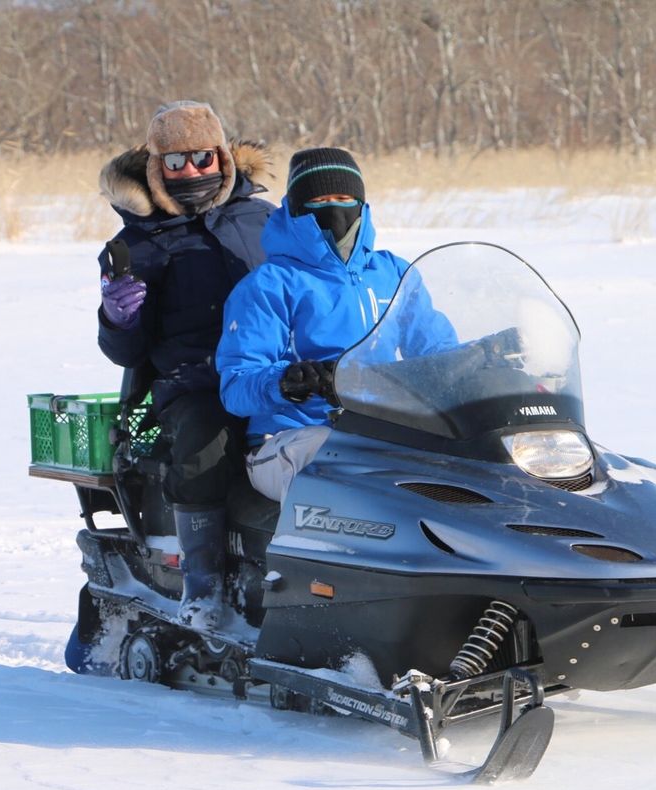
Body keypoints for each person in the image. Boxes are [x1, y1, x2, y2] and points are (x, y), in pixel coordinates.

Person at [94, 101, 274, 632]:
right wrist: (116, 317)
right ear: (156, 169)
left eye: (201, 157)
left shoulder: (265, 220)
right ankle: (204, 583)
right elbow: (126, 353)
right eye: (176, 162)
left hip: (271, 370)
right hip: (195, 381)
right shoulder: (137, 244)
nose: (192, 171)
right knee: (204, 441)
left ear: (222, 156)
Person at [215, 147, 456, 502]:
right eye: (320, 200)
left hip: (381, 432)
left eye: (344, 197)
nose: (335, 208)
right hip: (291, 439)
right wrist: (287, 381)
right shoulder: (269, 285)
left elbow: (439, 352)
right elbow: (235, 387)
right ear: (297, 208)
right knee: (344, 469)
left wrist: (491, 359)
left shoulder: (393, 274)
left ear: (361, 202)